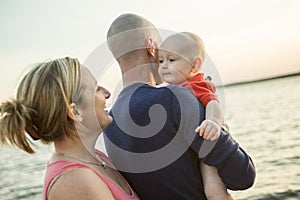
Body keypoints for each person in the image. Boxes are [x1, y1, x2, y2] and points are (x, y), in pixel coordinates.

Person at [104, 13, 255, 200]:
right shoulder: (174, 98)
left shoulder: (108, 125)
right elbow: (243, 175)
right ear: (151, 46)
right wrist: (221, 127)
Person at [0, 57, 139, 200]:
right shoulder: (76, 181)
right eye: (96, 89)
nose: (107, 93)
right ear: (75, 112)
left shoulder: (96, 158)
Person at [158, 32, 233, 199]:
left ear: (194, 65)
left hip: (208, 139)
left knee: (214, 190)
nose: (163, 66)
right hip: (192, 148)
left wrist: (213, 122)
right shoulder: (170, 91)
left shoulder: (196, 84)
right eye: (160, 60)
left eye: (171, 60)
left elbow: (213, 102)